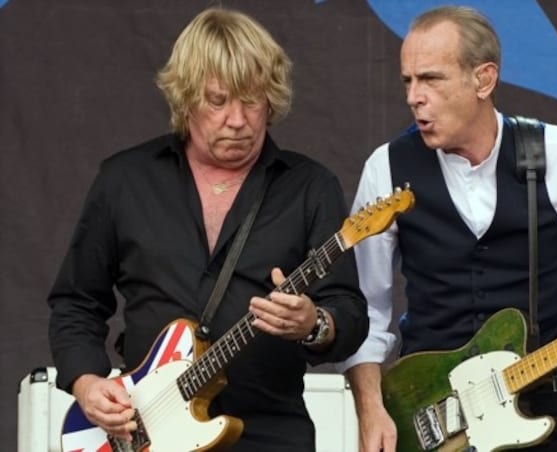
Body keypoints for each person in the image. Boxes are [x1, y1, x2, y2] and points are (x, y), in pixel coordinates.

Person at [338, 5, 557, 452]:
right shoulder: (387, 167)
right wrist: (370, 410)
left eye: (431, 79)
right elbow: (365, 310)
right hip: (431, 417)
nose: (414, 96)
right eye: (408, 81)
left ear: (484, 79)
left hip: (541, 408)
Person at [47, 7, 368, 452]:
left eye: (251, 100)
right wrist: (86, 382)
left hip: (269, 435)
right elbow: (76, 303)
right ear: (185, 100)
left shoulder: (310, 187)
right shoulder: (125, 180)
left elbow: (349, 313)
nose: (237, 120)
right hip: (143, 434)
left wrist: (314, 324)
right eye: (218, 101)